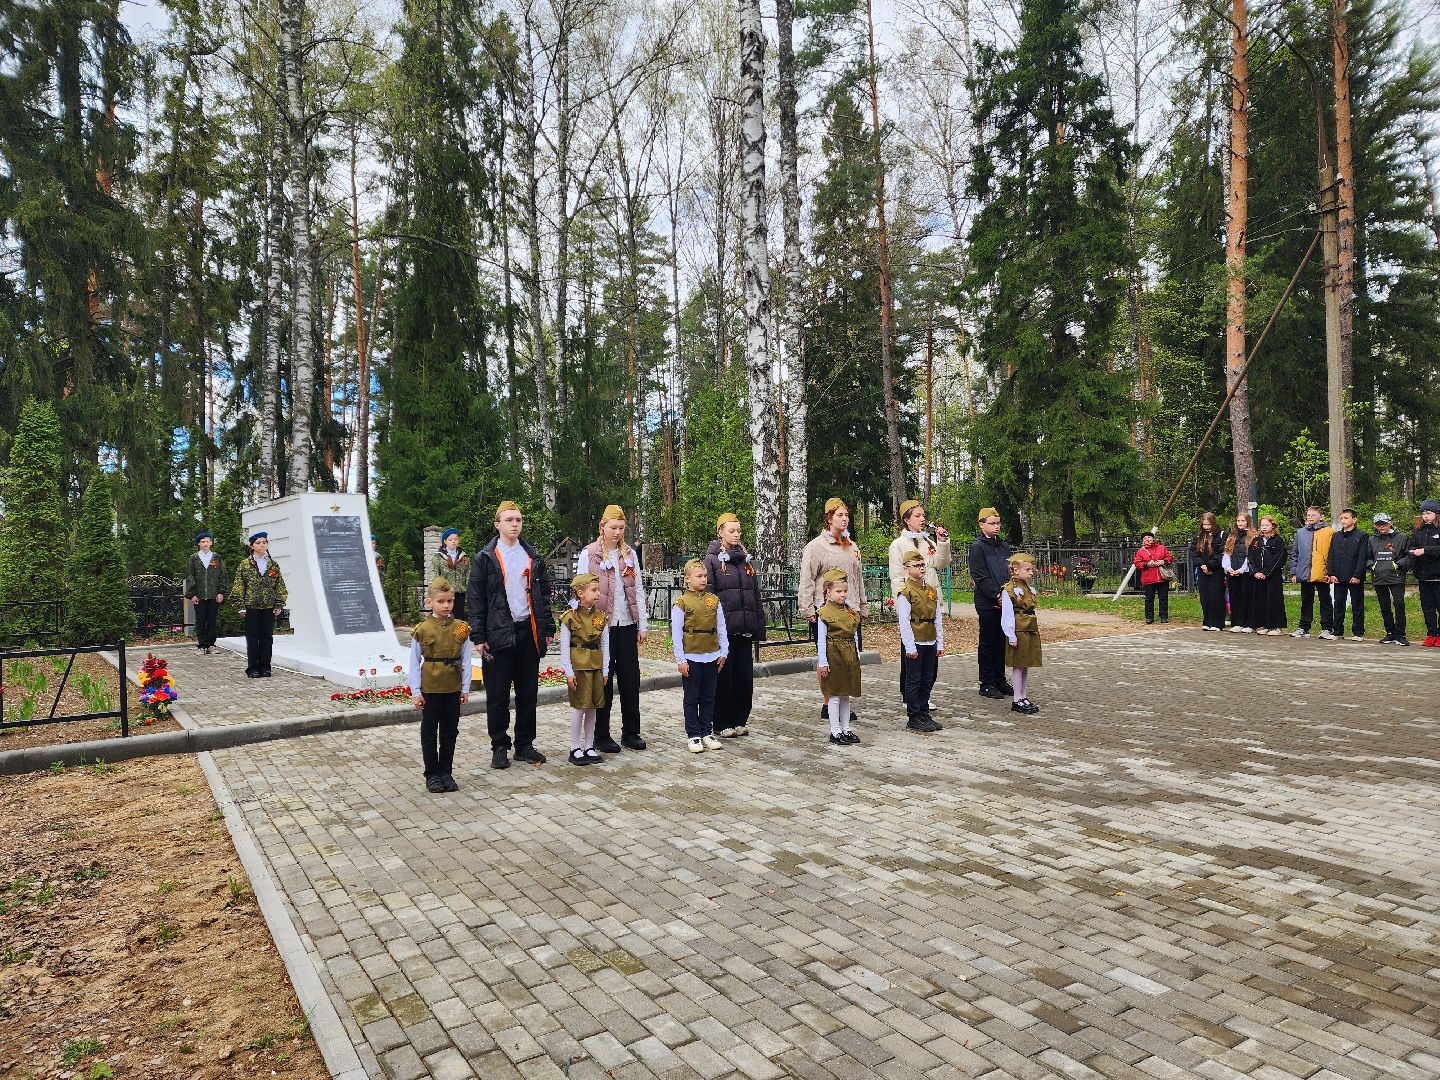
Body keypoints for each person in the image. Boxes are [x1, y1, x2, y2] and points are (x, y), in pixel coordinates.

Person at [467, 500, 556, 770]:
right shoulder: (486, 557)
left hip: (527, 631)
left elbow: (543, 596)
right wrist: (479, 635)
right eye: (509, 520)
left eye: (518, 520)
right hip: (497, 634)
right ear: (498, 525)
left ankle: (524, 745)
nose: (514, 524)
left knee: (528, 693)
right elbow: (476, 599)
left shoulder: (532, 555)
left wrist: (548, 628)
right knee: (498, 695)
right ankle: (499, 746)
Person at [577, 505, 647, 752]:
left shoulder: (629, 554)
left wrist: (643, 624)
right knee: (603, 680)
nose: (616, 532)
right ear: (602, 527)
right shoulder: (590, 553)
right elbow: (579, 589)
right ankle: (601, 734)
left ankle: (631, 731)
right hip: (601, 627)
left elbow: (637, 589)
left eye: (621, 528)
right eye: (612, 527)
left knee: (630, 680)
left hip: (626, 623)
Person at [798, 499, 866, 720]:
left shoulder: (852, 546)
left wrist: (862, 606)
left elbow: (857, 579)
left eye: (846, 515)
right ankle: (829, 702)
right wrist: (807, 607)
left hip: (850, 610)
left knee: (847, 656)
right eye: (839, 515)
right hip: (825, 611)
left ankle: (841, 696)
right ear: (828, 518)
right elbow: (807, 578)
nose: (844, 519)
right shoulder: (817, 546)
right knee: (828, 656)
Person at [408, 578, 473, 792]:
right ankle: (432, 774)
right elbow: (414, 663)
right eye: (441, 601)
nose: (446, 605)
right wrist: (416, 692)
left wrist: (465, 688)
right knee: (429, 733)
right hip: (430, 689)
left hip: (452, 689)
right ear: (430, 602)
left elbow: (465, 659)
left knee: (449, 732)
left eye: (450, 601)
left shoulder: (461, 629)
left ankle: (446, 771)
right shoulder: (422, 630)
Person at [705, 512, 765, 738]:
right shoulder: (712, 560)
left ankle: (740, 718)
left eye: (739, 530)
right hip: (725, 630)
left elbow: (754, 595)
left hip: (745, 627)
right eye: (732, 530)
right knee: (724, 677)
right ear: (720, 532)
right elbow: (709, 596)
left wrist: (758, 624)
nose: (736, 534)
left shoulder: (745, 561)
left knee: (743, 677)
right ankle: (721, 722)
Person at [888, 498, 950, 714]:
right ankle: (909, 696)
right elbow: (896, 578)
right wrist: (900, 604)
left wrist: (942, 542)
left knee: (930, 655)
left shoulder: (928, 542)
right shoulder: (898, 545)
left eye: (923, 515)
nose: (922, 519)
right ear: (906, 520)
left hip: (930, 600)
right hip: (912, 603)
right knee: (911, 654)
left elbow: (940, 564)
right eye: (917, 516)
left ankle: (924, 695)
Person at [672, 557, 728, 753]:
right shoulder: (681, 603)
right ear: (687, 579)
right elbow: (677, 633)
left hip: (711, 655)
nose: (703, 580)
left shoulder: (714, 600)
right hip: (692, 657)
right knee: (691, 698)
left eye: (705, 576)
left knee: (708, 697)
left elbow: (721, 627)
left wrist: (724, 651)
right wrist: (680, 658)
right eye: (699, 576)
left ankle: (707, 731)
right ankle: (693, 735)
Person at [559, 572, 610, 766]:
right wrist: (568, 671)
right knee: (579, 707)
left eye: (598, 590)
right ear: (580, 593)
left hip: (596, 666)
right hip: (579, 667)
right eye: (594, 590)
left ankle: (589, 745)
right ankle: (575, 747)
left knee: (593, 707)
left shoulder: (600, 617)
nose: (598, 594)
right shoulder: (569, 618)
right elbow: (565, 647)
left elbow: (605, 645)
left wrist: (605, 670)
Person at [896, 549, 943, 733]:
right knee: (914, 679)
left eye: (922, 564)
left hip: (930, 638)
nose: (921, 568)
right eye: (916, 565)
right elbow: (904, 622)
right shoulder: (906, 592)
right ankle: (914, 715)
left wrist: (940, 642)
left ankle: (924, 711)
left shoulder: (930, 590)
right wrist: (909, 646)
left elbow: (938, 617)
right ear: (907, 568)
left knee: (928, 677)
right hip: (915, 639)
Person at [968, 507, 1012, 697]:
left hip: (1005, 601)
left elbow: (1010, 572)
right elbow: (980, 576)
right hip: (987, 602)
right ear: (982, 524)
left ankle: (999, 679)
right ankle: (986, 682)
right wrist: (997, 595)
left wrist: (1008, 593)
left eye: (998, 523)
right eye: (992, 523)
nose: (996, 527)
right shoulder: (977, 548)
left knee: (1001, 641)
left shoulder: (1003, 546)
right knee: (988, 641)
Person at [232, 531, 287, 678]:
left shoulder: (273, 565)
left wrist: (279, 604)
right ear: (252, 546)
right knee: (252, 637)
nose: (261, 545)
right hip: (251, 606)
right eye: (258, 543)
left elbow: (280, 586)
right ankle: (252, 668)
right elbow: (239, 586)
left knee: (267, 638)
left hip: (268, 606)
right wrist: (241, 606)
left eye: (264, 542)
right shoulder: (245, 565)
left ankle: (265, 667)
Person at [816, 568, 861, 745]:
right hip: (833, 656)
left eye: (845, 591)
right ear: (828, 592)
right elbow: (821, 640)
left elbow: (854, 634)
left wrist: (856, 655)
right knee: (834, 695)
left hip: (849, 655)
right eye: (838, 591)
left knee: (846, 694)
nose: (842, 595)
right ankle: (835, 731)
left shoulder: (850, 611)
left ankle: (846, 729)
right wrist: (823, 663)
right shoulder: (824, 613)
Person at [1001, 553, 1041, 715]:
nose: (1031, 572)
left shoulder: (1026, 588)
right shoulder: (1009, 590)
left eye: (1032, 569)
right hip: (1018, 631)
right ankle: (1017, 698)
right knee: (1018, 665)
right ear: (1015, 571)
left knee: (1025, 664)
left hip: (1029, 629)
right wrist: (1011, 635)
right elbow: (1007, 614)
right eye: (1028, 569)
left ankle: (1023, 696)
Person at [1289, 506, 1334, 639]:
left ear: (1321, 517)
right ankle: (1304, 627)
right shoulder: (1301, 533)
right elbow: (1295, 554)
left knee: (1325, 600)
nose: (1310, 517)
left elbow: (1333, 554)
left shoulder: (1329, 532)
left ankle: (1327, 628)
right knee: (1306, 601)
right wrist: (1294, 572)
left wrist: (1331, 572)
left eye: (1313, 515)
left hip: (1323, 573)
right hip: (1304, 573)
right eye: (1308, 515)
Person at [1325, 508, 1368, 641]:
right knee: (1338, 604)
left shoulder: (1361, 536)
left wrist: (1357, 575)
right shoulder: (1336, 536)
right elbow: (1331, 555)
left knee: (1357, 605)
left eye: (1346, 518)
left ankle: (1358, 632)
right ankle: (1338, 631)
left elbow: (1362, 557)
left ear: (1354, 519)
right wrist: (1331, 573)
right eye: (1341, 518)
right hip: (1338, 576)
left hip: (1354, 577)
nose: (1343, 521)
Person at [1368, 513, 1410, 646]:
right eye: (1378, 524)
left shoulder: (1402, 537)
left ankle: (1401, 634)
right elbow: (1367, 557)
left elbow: (1409, 555)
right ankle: (1390, 633)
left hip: (1396, 576)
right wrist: (1371, 566)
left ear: (1390, 522)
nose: (1381, 526)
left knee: (1399, 604)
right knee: (1384, 606)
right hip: (1379, 576)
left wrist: (1398, 564)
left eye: (1384, 524)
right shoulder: (1372, 539)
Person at [184, 530, 229, 654]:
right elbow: (190, 576)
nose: (205, 543)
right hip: (199, 596)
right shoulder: (193, 558)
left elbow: (223, 576)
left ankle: (211, 645)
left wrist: (221, 592)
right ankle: (202, 645)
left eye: (207, 541)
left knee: (212, 620)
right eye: (202, 541)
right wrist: (192, 594)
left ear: (211, 543)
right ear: (199, 544)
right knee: (200, 621)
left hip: (213, 596)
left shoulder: (216, 557)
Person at [1249, 515, 1288, 635]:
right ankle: (1262, 624)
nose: (1264, 527)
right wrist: (1255, 572)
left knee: (1274, 600)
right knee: (1260, 600)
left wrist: (1266, 573)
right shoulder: (1256, 540)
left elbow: (1279, 558)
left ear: (1273, 526)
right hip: (1258, 576)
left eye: (1267, 525)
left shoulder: (1278, 540)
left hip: (1272, 576)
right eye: (1262, 525)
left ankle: (1276, 626)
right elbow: (1250, 557)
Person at [1411, 500, 1440, 646]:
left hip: (1438, 577)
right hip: (1423, 577)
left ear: (1436, 514)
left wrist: (1425, 550)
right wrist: (1413, 552)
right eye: (1423, 513)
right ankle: (1431, 633)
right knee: (1427, 607)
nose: (1425, 516)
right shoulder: (1419, 531)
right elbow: (1412, 546)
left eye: (1428, 513)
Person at [1190, 513, 1225, 631]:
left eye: (1209, 524)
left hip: (1216, 570)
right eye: (1204, 524)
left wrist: (1210, 566)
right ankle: (1207, 621)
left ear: (1213, 523)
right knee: (1205, 597)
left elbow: (1221, 553)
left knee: (1216, 596)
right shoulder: (1198, 536)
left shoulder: (1221, 535)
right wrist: (1202, 565)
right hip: (1202, 570)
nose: (1206, 527)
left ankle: (1218, 622)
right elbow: (1194, 553)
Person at [429, 529, 471, 622]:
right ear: (445, 541)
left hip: (459, 593)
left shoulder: (464, 557)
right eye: (450, 539)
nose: (453, 541)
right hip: (444, 593)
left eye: (455, 539)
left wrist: (469, 592)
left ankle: (458, 636)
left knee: (458, 620)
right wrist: (434, 592)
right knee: (444, 618)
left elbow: (468, 575)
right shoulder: (438, 557)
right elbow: (433, 575)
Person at [1222, 513, 1254, 633]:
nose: (1240, 523)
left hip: (1245, 572)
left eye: (1243, 521)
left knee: (1246, 597)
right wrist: (1228, 568)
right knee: (1235, 597)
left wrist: (1241, 570)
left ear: (1247, 522)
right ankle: (1237, 622)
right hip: (1232, 571)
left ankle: (1248, 623)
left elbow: (1250, 555)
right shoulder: (1232, 536)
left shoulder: (1252, 536)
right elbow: (1227, 553)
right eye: (1238, 521)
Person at [1132, 532, 1174, 625]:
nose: (1147, 539)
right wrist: (1147, 564)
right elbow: (1137, 563)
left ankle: (1164, 616)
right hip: (1148, 578)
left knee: (1163, 597)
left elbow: (1170, 557)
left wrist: (1163, 561)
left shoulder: (1162, 548)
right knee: (1149, 598)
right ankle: (1149, 617)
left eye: (1149, 537)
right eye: (1145, 538)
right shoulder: (1141, 552)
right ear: (1143, 540)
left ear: (1153, 538)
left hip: (1162, 578)